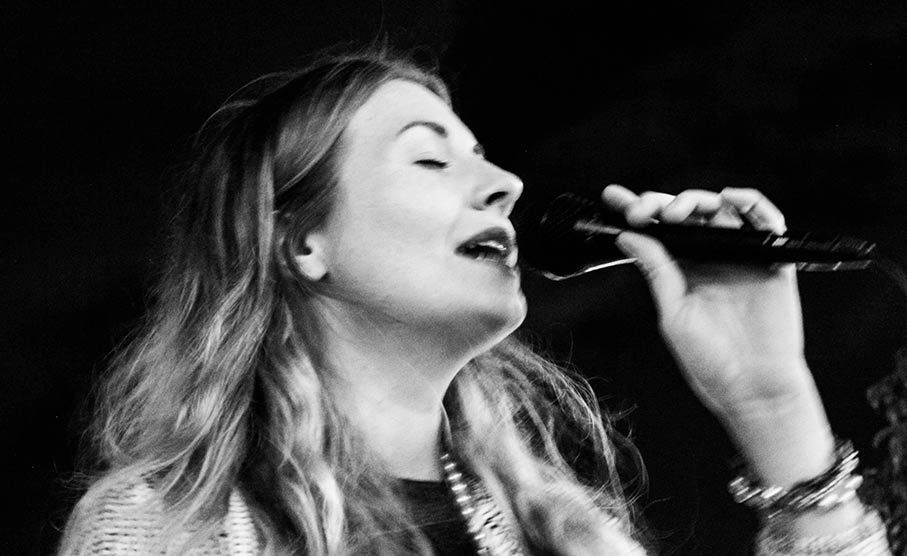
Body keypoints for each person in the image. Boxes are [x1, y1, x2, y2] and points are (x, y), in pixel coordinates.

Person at [59, 48, 891, 555]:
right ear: (300, 242)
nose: (504, 184)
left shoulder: (567, 537)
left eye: (483, 155)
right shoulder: (165, 528)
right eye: (431, 160)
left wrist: (770, 405)